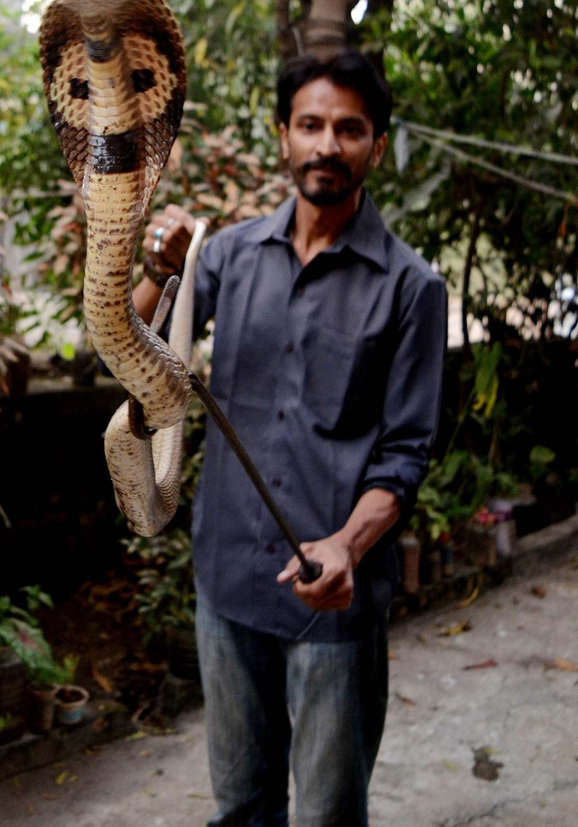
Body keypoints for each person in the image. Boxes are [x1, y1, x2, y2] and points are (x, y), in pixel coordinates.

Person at [133, 50, 447, 827]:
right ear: (283, 136)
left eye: (349, 129)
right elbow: (136, 347)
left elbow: (405, 454)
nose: (327, 145)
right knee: (241, 806)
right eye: (310, 125)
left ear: (376, 146)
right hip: (228, 584)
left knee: (329, 813)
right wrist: (153, 265)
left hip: (330, 600)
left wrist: (347, 543)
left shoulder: (412, 288)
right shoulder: (230, 256)